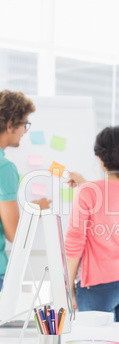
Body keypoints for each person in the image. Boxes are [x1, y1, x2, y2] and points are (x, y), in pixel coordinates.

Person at [65, 126, 119, 321]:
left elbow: (74, 243)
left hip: (97, 286)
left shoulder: (88, 192)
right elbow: (112, 207)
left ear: (101, 159)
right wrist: (85, 186)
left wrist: (67, 288)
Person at [0, 90, 51, 291]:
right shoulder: (4, 168)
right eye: (24, 125)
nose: (25, 131)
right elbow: (14, 233)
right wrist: (35, 210)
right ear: (10, 125)